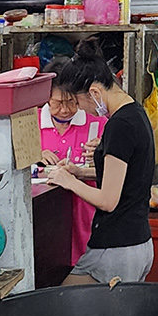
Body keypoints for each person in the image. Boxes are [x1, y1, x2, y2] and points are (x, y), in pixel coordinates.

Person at [39, 42, 155, 284]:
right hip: (138, 243)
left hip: (116, 247)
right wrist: (80, 172)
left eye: (79, 103)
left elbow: (108, 200)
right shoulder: (135, 113)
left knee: (63, 307)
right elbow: (125, 176)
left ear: (94, 93)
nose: (84, 111)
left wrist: (68, 181)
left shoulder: (119, 126)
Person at [37, 55, 107, 264]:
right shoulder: (31, 124)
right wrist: (34, 157)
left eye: (71, 102)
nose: (65, 109)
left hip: (86, 212)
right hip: (47, 214)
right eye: (58, 103)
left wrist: (102, 153)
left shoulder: (97, 123)